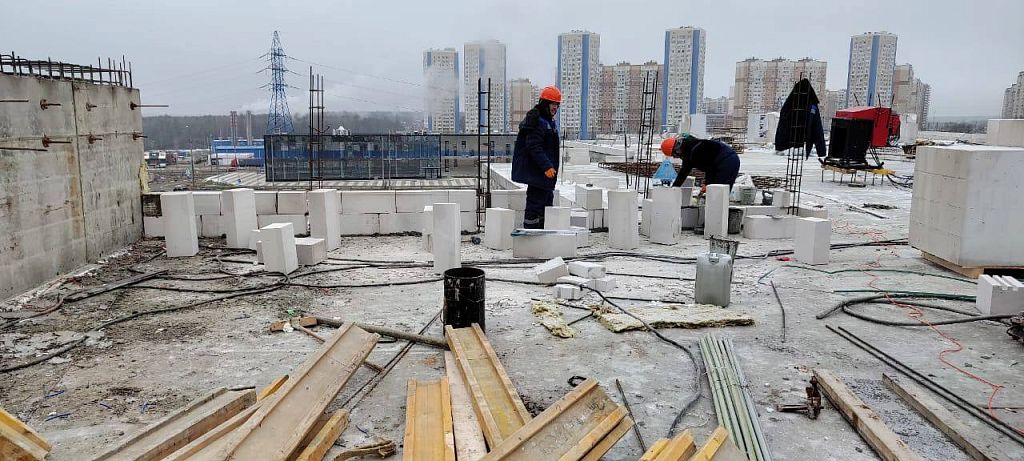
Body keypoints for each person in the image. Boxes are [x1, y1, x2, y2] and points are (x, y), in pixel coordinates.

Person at [511, 86, 561, 228]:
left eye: (557, 104)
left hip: (546, 178)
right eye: (552, 104)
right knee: (535, 207)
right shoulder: (538, 121)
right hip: (538, 176)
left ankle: (543, 234)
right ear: (545, 103)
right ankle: (531, 235)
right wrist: (547, 166)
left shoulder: (548, 121)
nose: (555, 107)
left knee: (546, 207)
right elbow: (533, 146)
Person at [661, 133, 741, 193]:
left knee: (719, 191)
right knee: (714, 191)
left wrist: (707, 184)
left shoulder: (697, 150)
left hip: (728, 161)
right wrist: (674, 189)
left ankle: (719, 210)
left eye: (674, 155)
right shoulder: (688, 153)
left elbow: (710, 167)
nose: (675, 157)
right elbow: (683, 173)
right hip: (721, 162)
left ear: (677, 150)